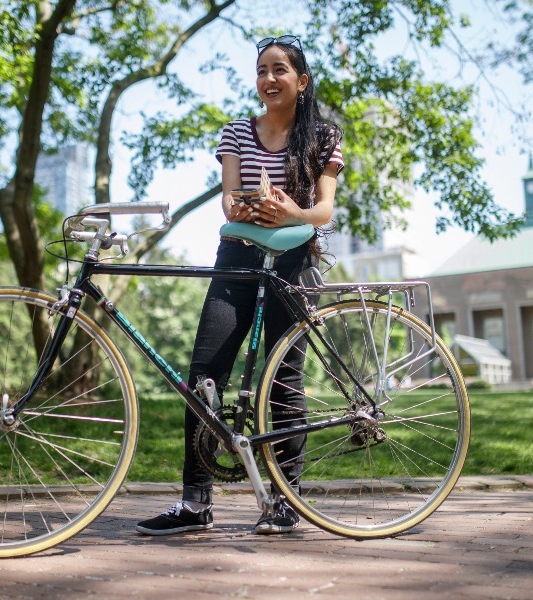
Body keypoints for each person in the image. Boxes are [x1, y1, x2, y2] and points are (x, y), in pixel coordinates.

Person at [136, 34, 344, 536]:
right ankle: (194, 505)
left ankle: (285, 501)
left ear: (301, 80)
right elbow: (229, 202)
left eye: (279, 70)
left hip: (294, 260)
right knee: (204, 378)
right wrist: (249, 207)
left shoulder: (322, 137)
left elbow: (324, 210)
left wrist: (290, 211)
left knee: (283, 381)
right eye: (261, 71)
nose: (268, 80)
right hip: (236, 256)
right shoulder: (235, 133)